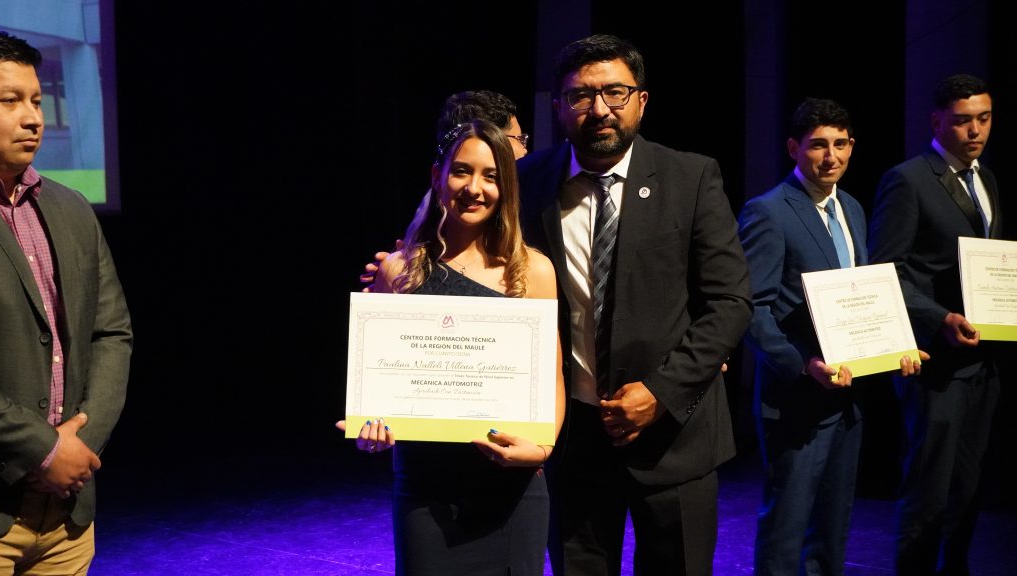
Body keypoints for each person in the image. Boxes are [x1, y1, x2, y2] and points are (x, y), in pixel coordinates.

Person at [517, 34, 752, 575]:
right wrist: (405, 274)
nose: (599, 109)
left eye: (615, 92)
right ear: (558, 106)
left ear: (641, 100)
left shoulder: (691, 177)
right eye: (580, 95)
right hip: (571, 441)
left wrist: (662, 392)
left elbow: (731, 301)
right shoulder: (528, 182)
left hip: (675, 436)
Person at [340, 120, 565, 576]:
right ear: (437, 176)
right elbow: (380, 383)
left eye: (491, 176)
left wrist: (542, 447)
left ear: (507, 187)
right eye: (462, 171)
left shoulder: (532, 271)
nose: (474, 188)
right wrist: (371, 426)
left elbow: (552, 378)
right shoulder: (399, 271)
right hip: (426, 489)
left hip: (512, 490)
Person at [738, 98, 925, 576]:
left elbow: (864, 296)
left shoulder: (853, 208)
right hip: (796, 397)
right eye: (818, 145)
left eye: (840, 144)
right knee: (787, 527)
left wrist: (894, 346)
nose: (831, 156)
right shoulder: (768, 212)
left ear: (852, 146)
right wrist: (803, 363)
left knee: (832, 527)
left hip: (849, 396)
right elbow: (751, 308)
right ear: (793, 148)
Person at [0, 30, 133, 574]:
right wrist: (43, 450)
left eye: (37, 100)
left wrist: (80, 446)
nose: (33, 117)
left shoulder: (70, 207)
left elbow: (111, 333)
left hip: (68, 517)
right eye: (10, 101)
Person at [868, 73, 1001, 576]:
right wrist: (938, 316)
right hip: (935, 364)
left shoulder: (987, 179)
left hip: (982, 361)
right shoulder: (908, 179)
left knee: (968, 486)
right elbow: (885, 269)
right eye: (963, 121)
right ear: (936, 121)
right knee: (929, 488)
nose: (975, 131)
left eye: (984, 119)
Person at [359, 89, 528, 291]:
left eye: (491, 176)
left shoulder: (532, 268)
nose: (524, 149)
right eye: (518, 139)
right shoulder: (443, 201)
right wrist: (390, 276)